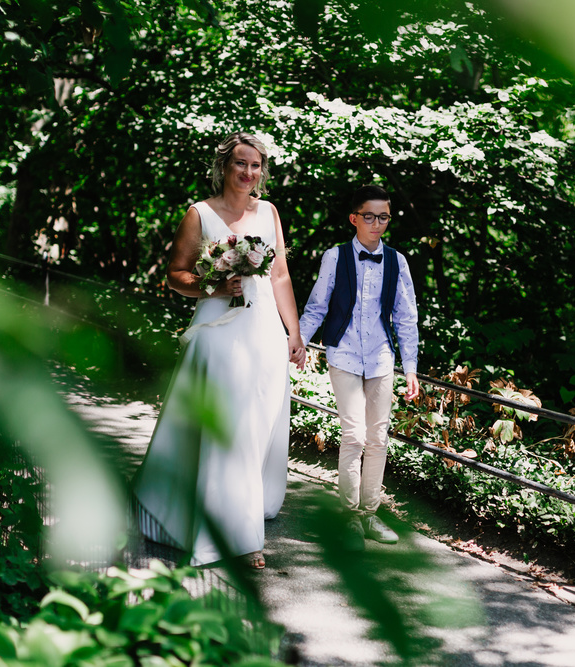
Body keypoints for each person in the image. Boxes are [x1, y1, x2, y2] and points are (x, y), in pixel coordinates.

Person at [133, 132, 305, 570]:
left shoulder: (269, 212)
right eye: (240, 164)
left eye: (256, 166)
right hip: (217, 333)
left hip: (263, 332)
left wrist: (294, 332)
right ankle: (239, 538)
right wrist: (212, 284)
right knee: (226, 428)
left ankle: (236, 514)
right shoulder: (200, 214)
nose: (248, 173)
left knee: (255, 427)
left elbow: (280, 276)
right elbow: (175, 274)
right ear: (224, 167)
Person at [298, 184, 420, 551]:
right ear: (354, 218)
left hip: (382, 358)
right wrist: (297, 342)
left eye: (384, 217)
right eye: (370, 216)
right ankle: (349, 517)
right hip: (345, 355)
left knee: (378, 438)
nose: (377, 223)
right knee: (354, 436)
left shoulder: (397, 261)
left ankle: (370, 514)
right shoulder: (334, 257)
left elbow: (406, 317)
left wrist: (410, 367)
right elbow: (317, 306)